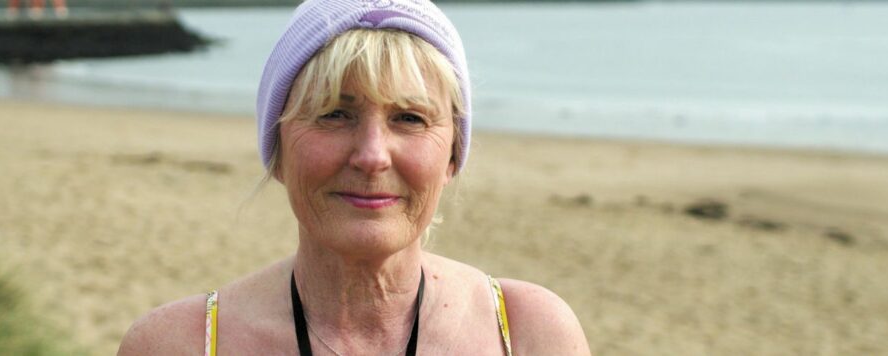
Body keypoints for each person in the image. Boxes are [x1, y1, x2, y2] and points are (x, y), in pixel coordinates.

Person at [118, 0, 591, 355]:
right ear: (277, 151)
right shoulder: (180, 344)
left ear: (452, 155)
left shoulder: (530, 333)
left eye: (408, 118)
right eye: (333, 114)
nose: (372, 156)